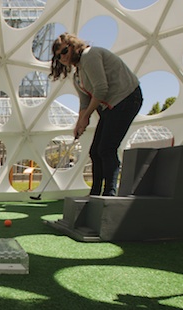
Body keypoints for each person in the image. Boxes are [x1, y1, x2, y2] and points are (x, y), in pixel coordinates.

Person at [50, 33, 143, 196]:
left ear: (73, 46)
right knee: (95, 151)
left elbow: (101, 89)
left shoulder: (89, 55)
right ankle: (94, 193)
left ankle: (109, 193)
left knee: (107, 148)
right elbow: (85, 102)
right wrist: (80, 122)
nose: (62, 57)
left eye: (64, 51)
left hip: (126, 99)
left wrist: (86, 117)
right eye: (58, 56)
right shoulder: (77, 75)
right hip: (110, 106)